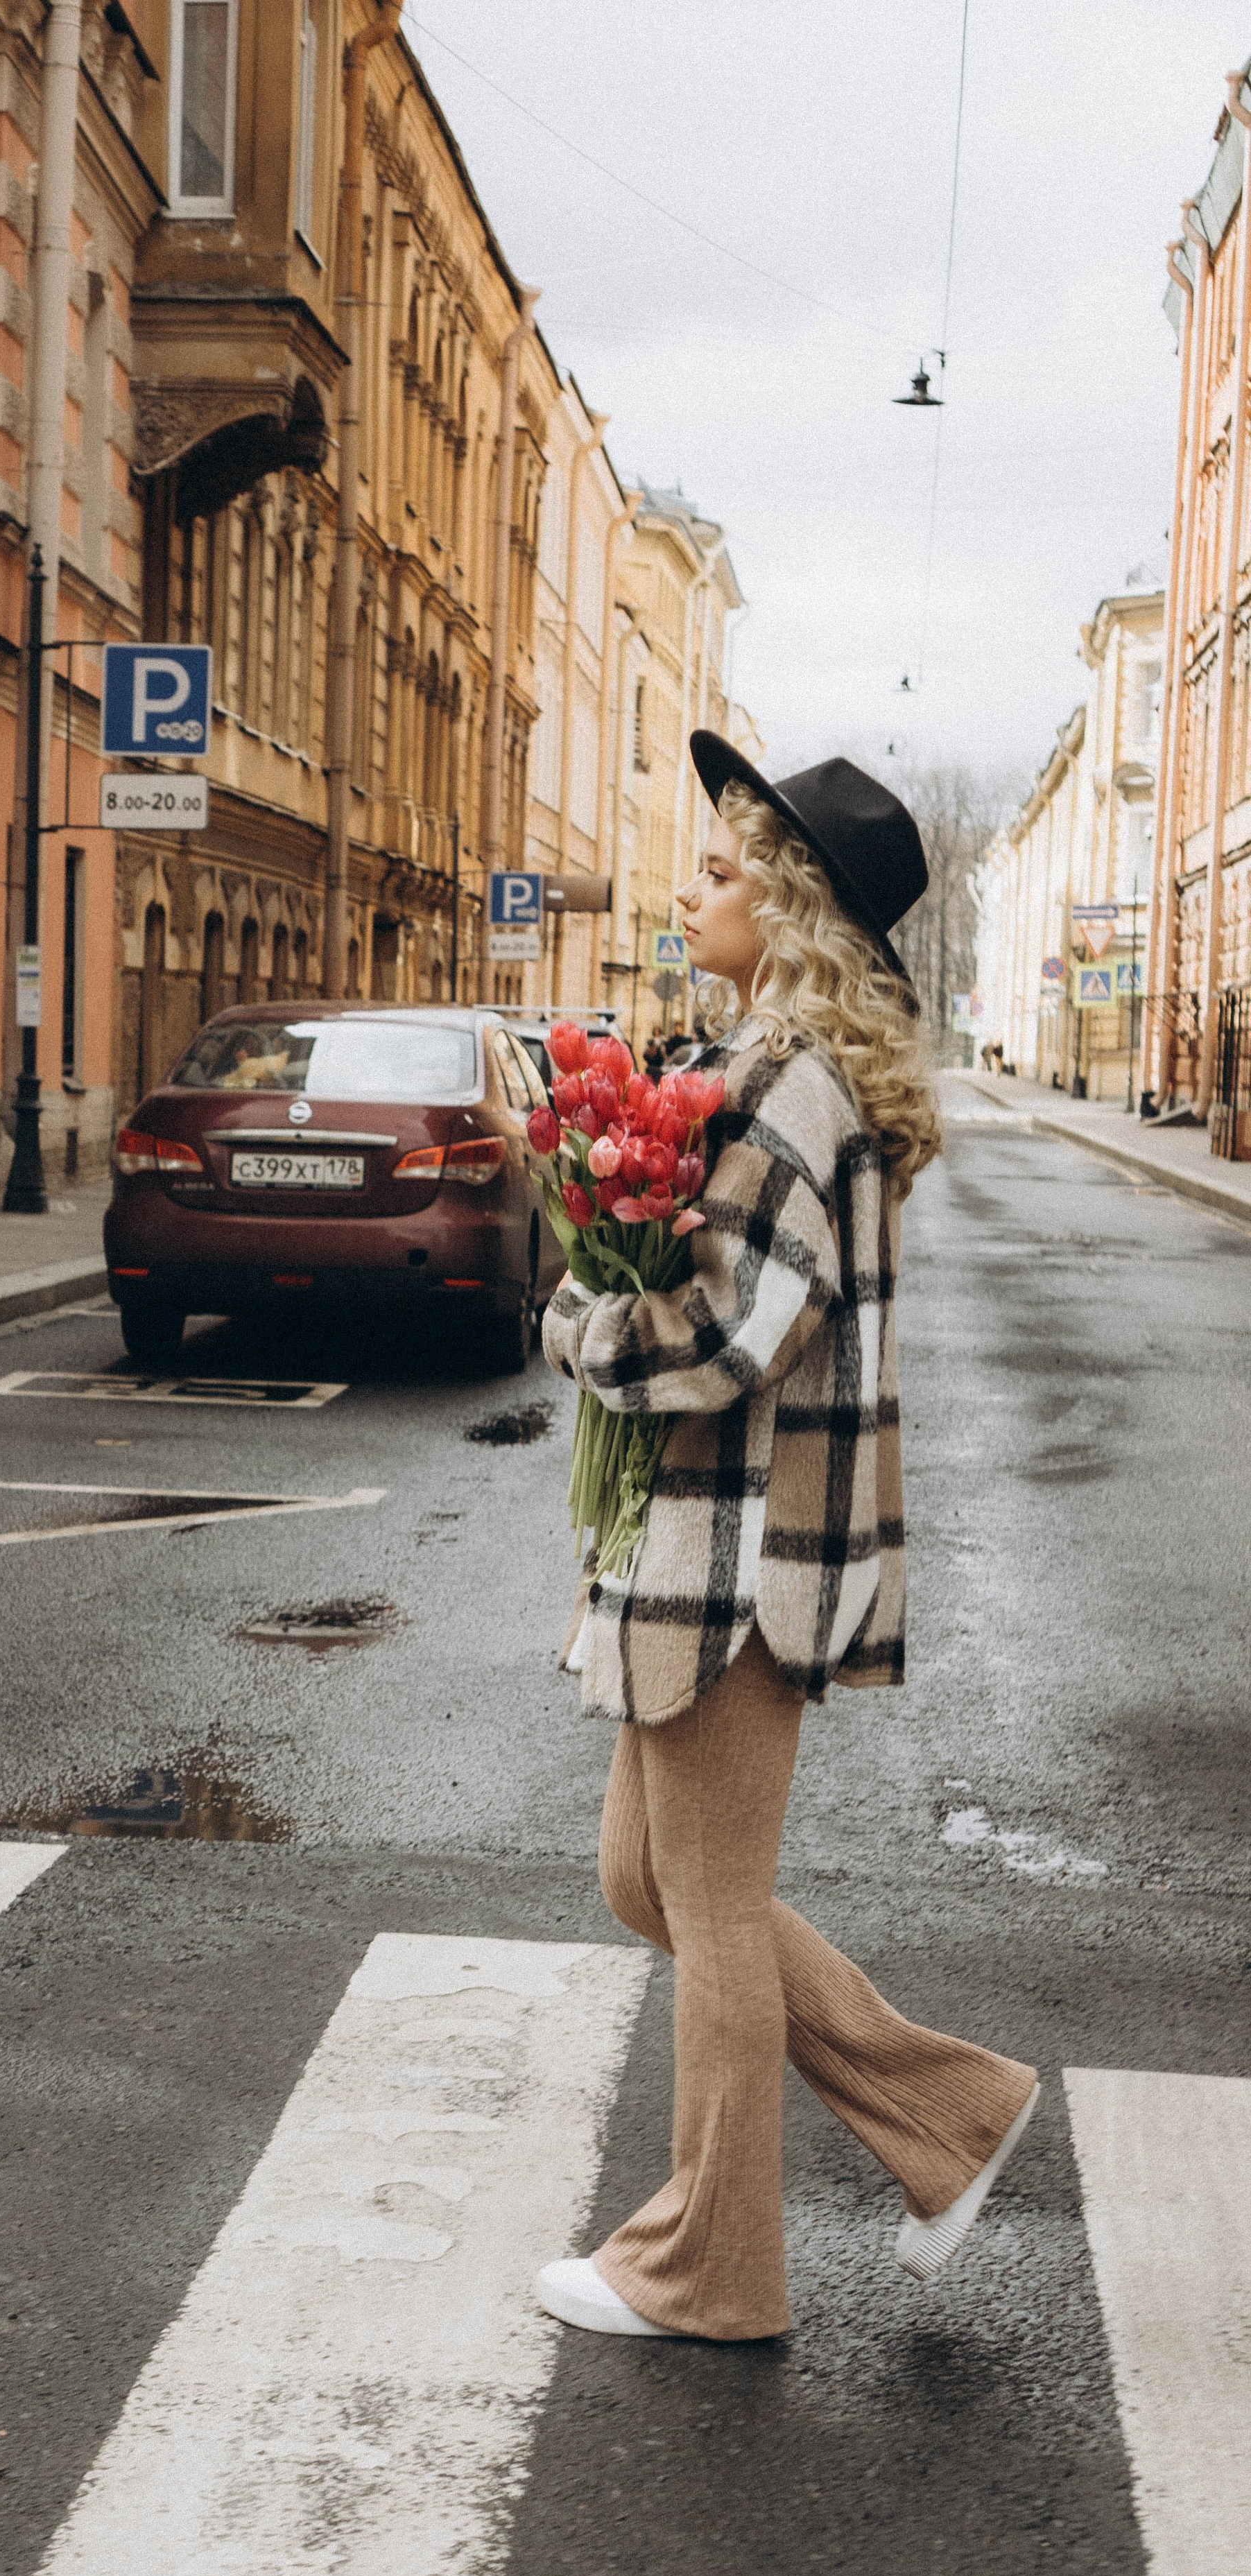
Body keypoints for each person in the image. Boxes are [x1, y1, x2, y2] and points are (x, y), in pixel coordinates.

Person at [534, 734, 1039, 2343]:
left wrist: (579, 1321)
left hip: (741, 1555)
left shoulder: (780, 1085)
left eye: (719, 866)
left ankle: (708, 2271)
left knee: (707, 1909)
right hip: (722, 1541)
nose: (691, 886)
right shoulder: (775, 1067)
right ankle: (947, 2117)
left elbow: (727, 1335)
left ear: (792, 900)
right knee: (654, 1880)